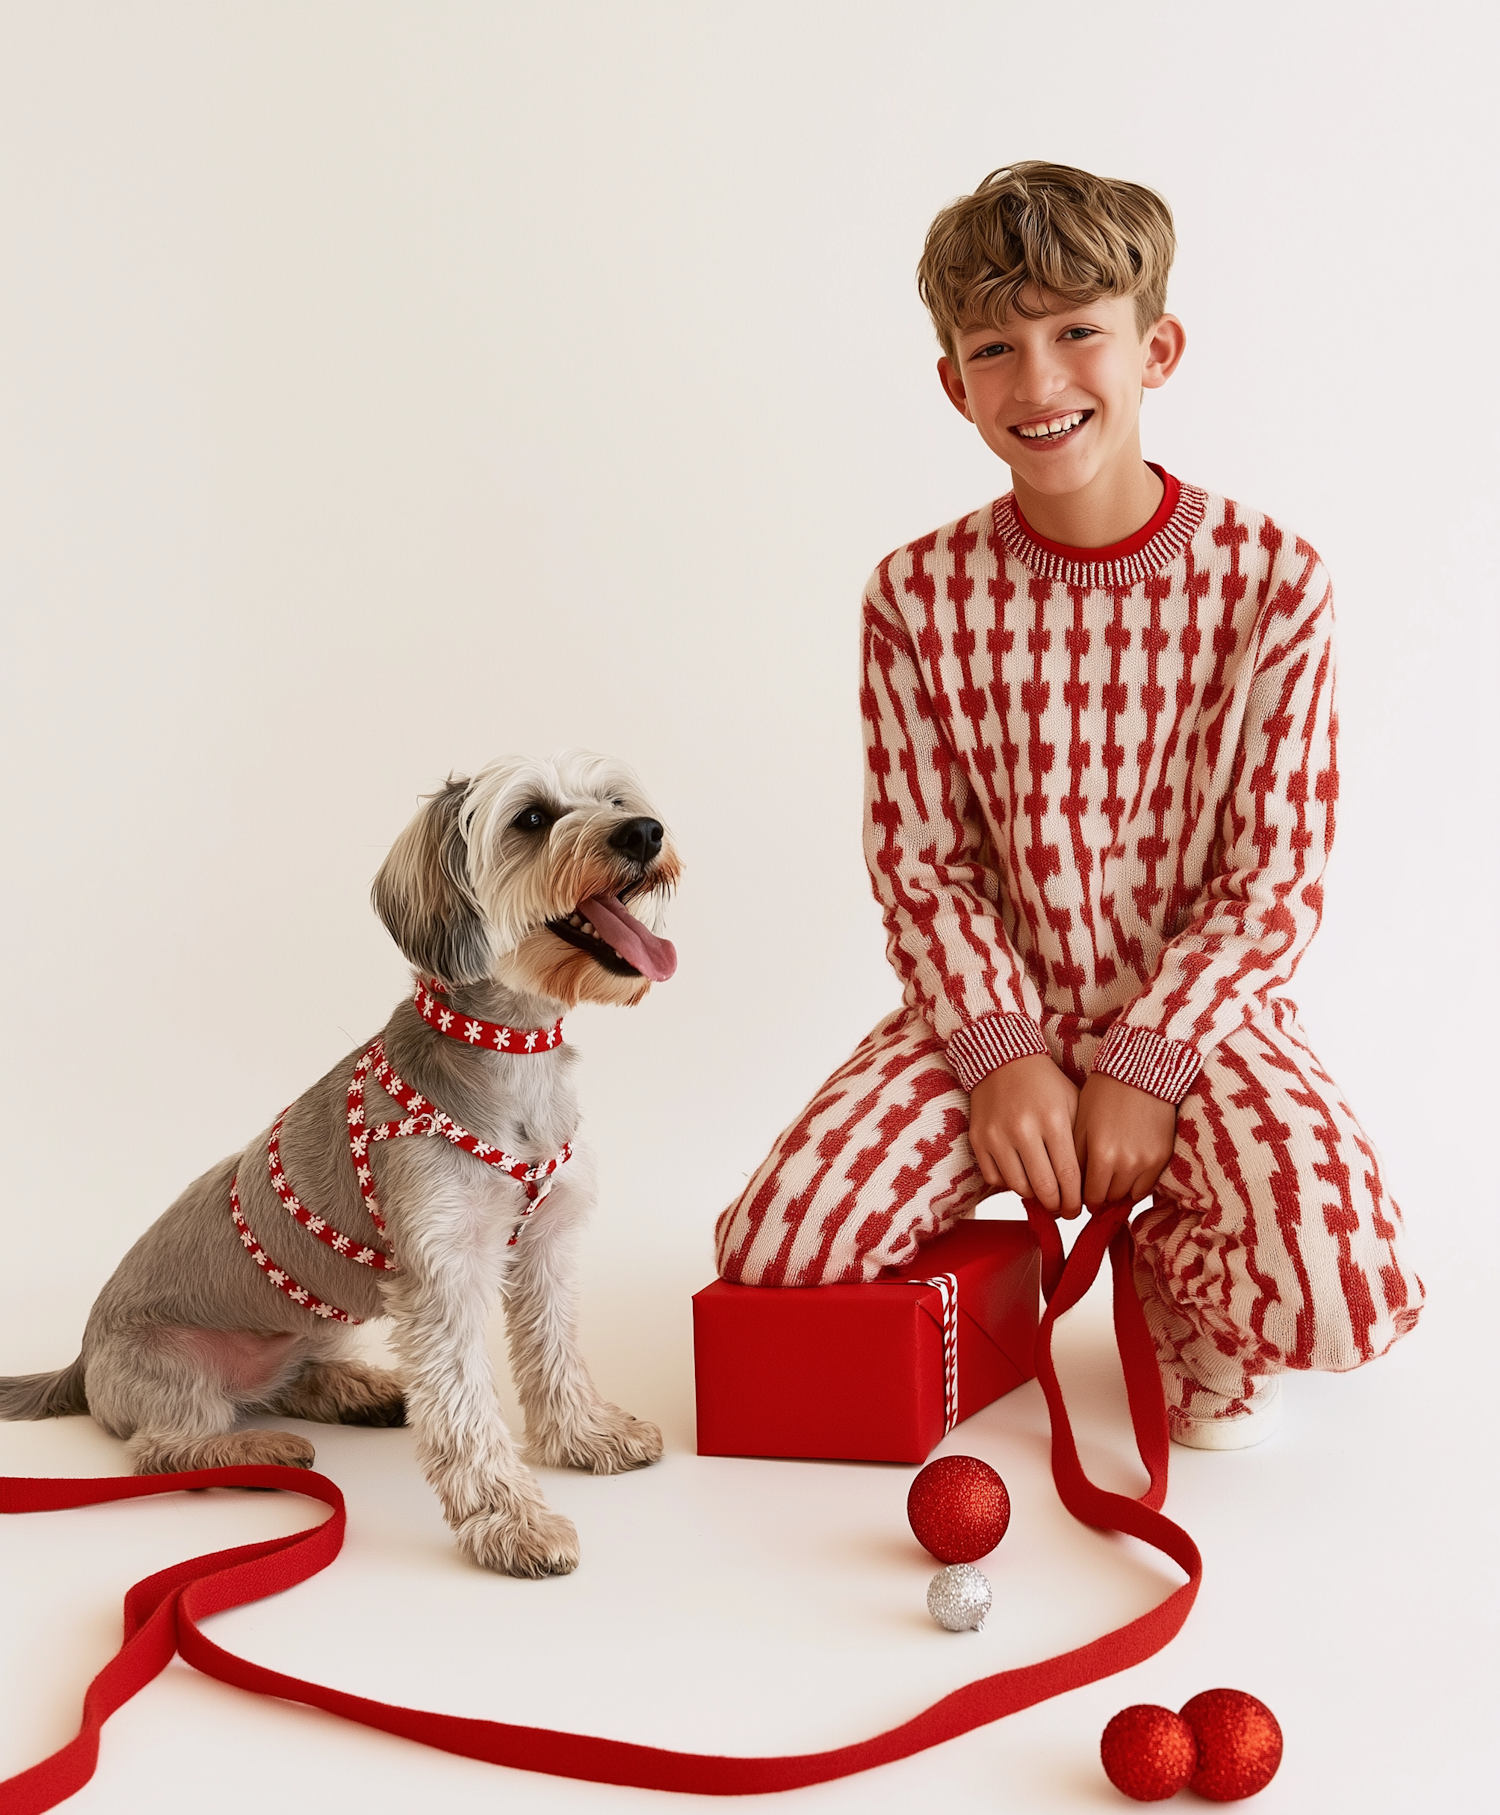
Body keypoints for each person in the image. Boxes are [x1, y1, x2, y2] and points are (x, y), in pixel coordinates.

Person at [714, 161, 1422, 1448]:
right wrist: (1001, 1056)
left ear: (1157, 349)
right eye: (996, 349)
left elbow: (1274, 882)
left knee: (1347, 1290)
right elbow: (922, 868)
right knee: (780, 1242)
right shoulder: (914, 595)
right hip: (992, 1009)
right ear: (954, 383)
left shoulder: (1274, 581)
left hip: (1200, 1017)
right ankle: (1004, 1260)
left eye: (1077, 333)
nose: (1038, 384)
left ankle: (1175, 1275)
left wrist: (1148, 1067)